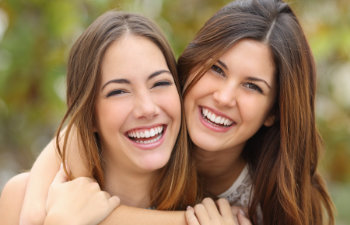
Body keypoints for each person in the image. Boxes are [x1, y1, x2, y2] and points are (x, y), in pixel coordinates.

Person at [2, 0, 335, 224]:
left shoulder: (265, 202)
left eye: (252, 86)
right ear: (187, 70)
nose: (223, 96)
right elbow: (76, 128)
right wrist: (36, 209)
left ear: (273, 112)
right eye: (217, 69)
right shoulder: (158, 124)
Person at [0, 10, 200, 224]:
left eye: (160, 83)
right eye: (118, 91)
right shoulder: (24, 198)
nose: (147, 108)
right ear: (89, 115)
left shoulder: (212, 208)